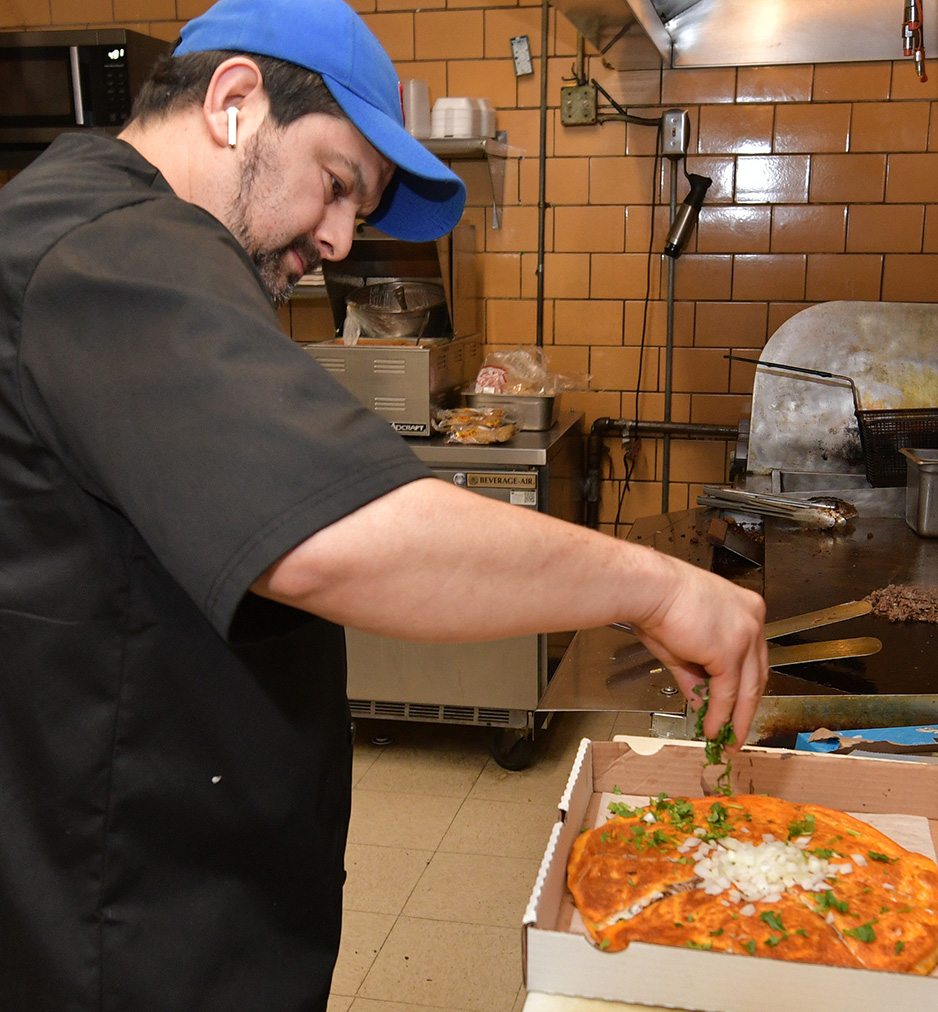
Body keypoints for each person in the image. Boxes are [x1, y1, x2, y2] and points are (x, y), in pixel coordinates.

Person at [0, 0, 767, 1008]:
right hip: (131, 914)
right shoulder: (120, 248)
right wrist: (650, 584)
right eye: (334, 186)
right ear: (235, 102)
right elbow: (335, 538)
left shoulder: (87, 230)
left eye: (352, 214)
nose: (332, 239)